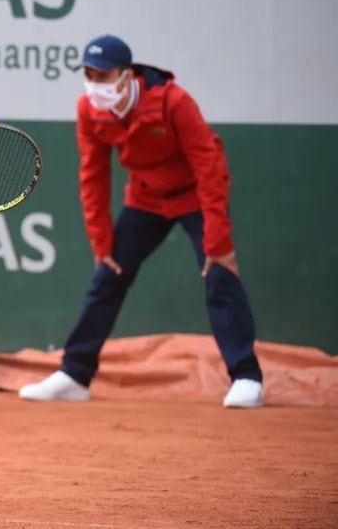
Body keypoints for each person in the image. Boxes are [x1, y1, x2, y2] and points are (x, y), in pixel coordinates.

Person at [19, 35, 264, 408]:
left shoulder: (173, 101)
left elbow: (210, 165)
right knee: (107, 276)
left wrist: (218, 239)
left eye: (102, 75)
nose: (94, 83)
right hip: (146, 199)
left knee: (218, 273)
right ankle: (74, 375)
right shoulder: (89, 109)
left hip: (195, 195)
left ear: (125, 75)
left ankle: (246, 377)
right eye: (88, 74)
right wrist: (101, 243)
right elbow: (93, 175)